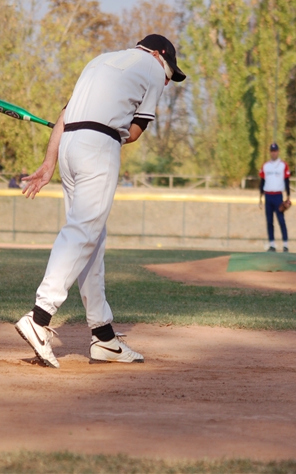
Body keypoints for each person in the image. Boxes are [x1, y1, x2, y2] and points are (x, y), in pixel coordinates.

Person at [16, 34, 186, 368]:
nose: (166, 81)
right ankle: (39, 317)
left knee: (91, 237)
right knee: (83, 232)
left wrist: (49, 162)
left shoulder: (100, 61)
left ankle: (104, 337)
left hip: (69, 146)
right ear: (156, 54)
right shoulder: (150, 69)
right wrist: (108, 132)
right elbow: (134, 132)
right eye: (168, 72)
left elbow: (64, 116)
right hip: (98, 147)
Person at [258, 142, 291, 252]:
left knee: (281, 220)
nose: (273, 153)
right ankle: (272, 244)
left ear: (278, 152)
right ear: (270, 152)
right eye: (272, 151)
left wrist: (288, 196)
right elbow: (262, 181)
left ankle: (285, 244)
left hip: (278, 195)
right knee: (269, 221)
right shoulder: (266, 166)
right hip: (268, 195)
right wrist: (260, 196)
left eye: (275, 151)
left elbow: (287, 180)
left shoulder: (283, 165)